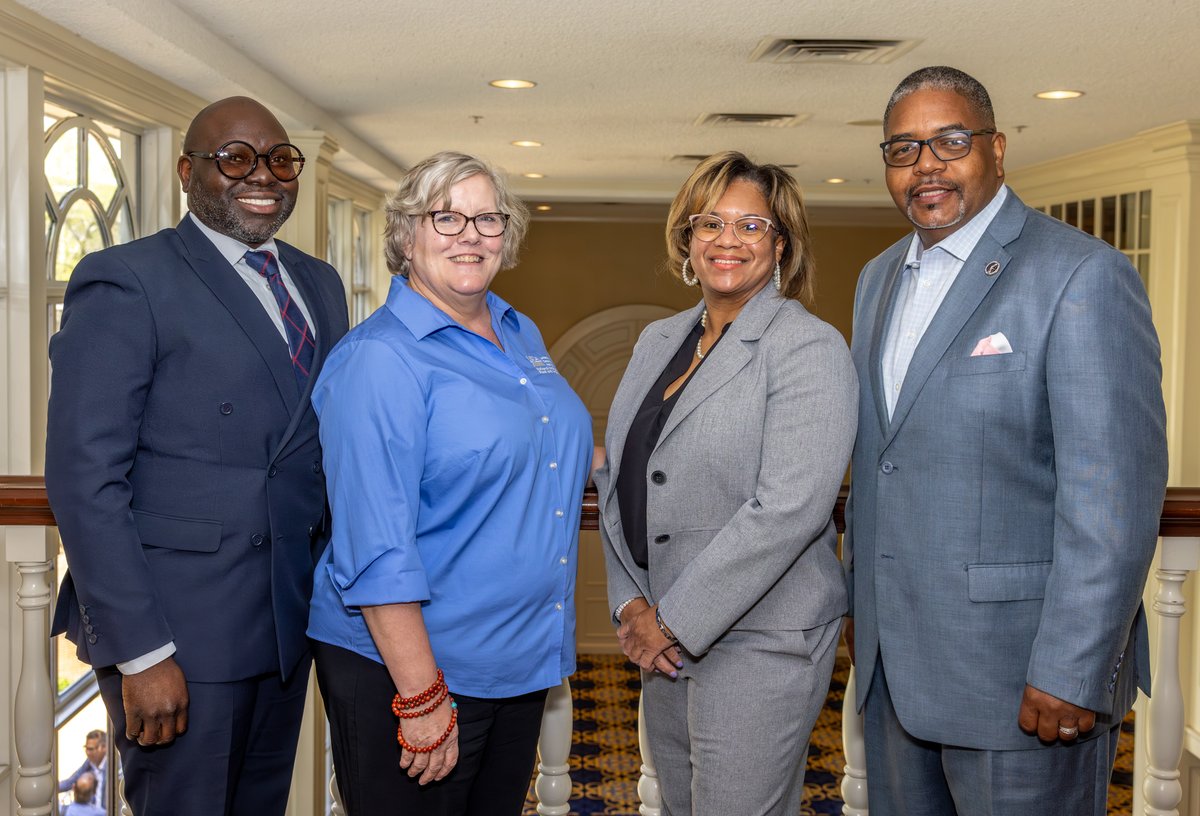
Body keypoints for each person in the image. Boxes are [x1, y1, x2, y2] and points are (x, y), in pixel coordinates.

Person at [842, 66, 1168, 815]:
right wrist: (865, 605)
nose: (925, 165)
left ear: (996, 149)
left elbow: (1112, 497)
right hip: (897, 671)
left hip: (1025, 682)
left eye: (949, 142)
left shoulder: (1080, 275)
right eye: (903, 149)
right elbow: (880, 460)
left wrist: (1072, 669)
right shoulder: (877, 278)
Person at [45, 96, 350, 816]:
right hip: (179, 638)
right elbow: (85, 477)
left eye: (280, 159)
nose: (263, 175)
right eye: (234, 158)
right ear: (187, 171)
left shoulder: (319, 283)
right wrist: (141, 654)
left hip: (285, 624)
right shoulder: (127, 280)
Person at [307, 151, 593, 816]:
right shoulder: (381, 360)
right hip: (415, 670)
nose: (470, 234)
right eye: (447, 217)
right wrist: (421, 694)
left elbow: (537, 442)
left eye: (488, 218)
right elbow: (375, 548)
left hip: (516, 661)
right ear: (406, 236)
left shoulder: (517, 331)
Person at [595, 151, 857, 815]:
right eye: (710, 223)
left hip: (761, 640)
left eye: (751, 226)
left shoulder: (806, 346)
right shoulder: (659, 339)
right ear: (686, 236)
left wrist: (671, 622)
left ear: (783, 244)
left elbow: (789, 509)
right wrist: (631, 605)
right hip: (663, 637)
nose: (727, 241)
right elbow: (623, 471)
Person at [58, 730, 107, 807]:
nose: (87, 752)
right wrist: (50, 788)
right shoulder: (90, 762)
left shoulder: (114, 766)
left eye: (91, 749)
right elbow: (71, 781)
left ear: (104, 747)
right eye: (86, 748)